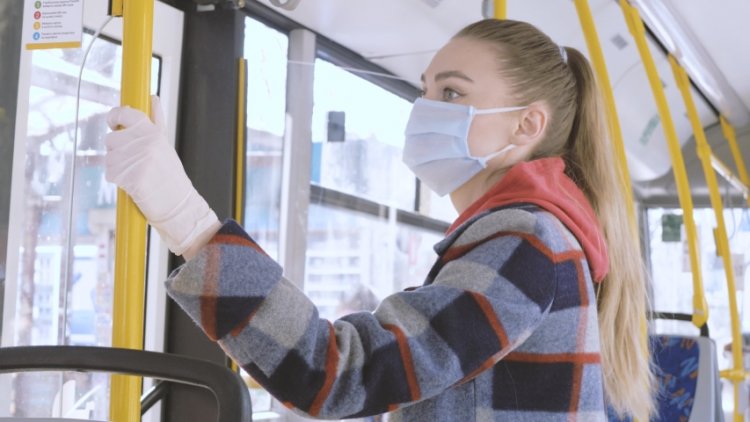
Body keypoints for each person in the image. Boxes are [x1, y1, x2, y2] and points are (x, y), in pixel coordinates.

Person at [105, 19, 654, 421]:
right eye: (425, 89)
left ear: (526, 125)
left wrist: (188, 221)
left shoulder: (527, 242)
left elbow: (335, 374)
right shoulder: (530, 236)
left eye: (452, 92)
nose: (424, 108)